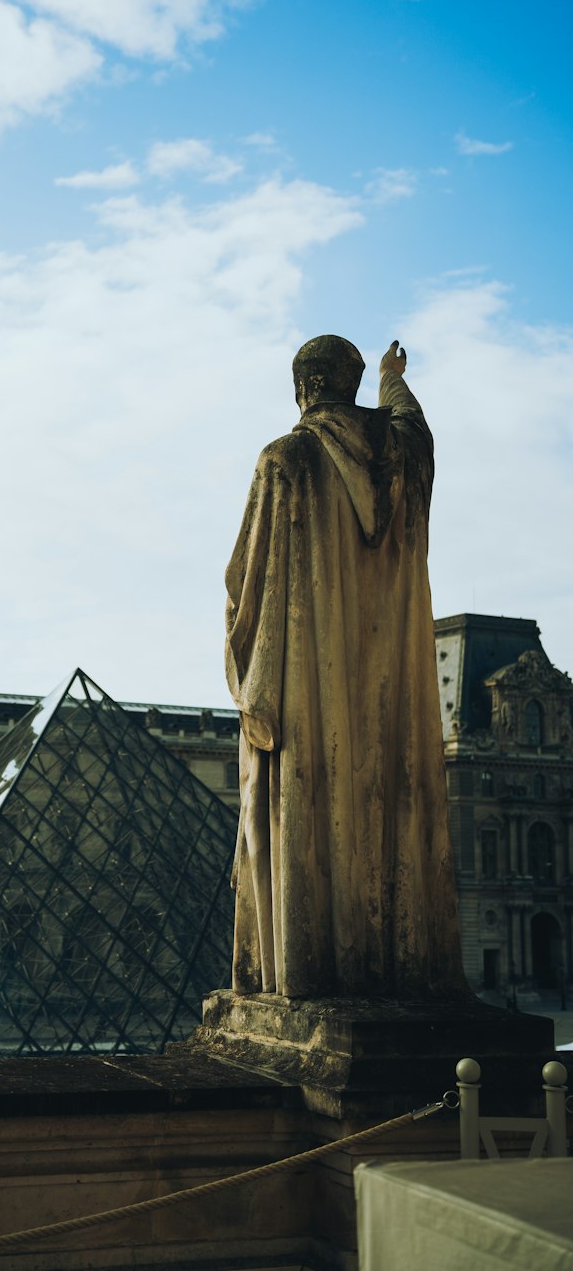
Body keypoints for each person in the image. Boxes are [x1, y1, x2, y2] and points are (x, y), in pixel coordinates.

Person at [225, 336, 466, 999]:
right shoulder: (402, 463)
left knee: (305, 810)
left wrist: (251, 680)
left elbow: (248, 585)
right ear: (350, 383)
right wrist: (394, 381)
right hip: (390, 695)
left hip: (309, 686)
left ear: (304, 386)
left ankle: (308, 974)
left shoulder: (285, 460)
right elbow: (415, 430)